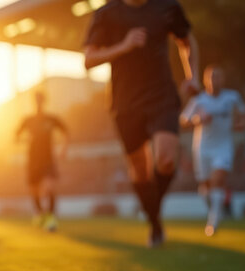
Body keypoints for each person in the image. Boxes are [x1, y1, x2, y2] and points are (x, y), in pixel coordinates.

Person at [84, 0, 199, 247]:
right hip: (125, 103)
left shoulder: (167, 7)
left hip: (162, 96)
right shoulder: (106, 13)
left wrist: (193, 76)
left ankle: (152, 211)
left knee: (166, 160)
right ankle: (155, 224)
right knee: (140, 171)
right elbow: (89, 59)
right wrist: (124, 46)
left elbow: (187, 41)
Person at [180, 65, 245, 236]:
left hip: (223, 146)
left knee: (218, 179)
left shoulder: (231, 97)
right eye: (211, 77)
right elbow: (183, 120)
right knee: (205, 186)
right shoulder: (199, 101)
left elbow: (244, 112)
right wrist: (198, 119)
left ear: (222, 80)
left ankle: (214, 219)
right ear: (205, 80)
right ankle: (214, 209)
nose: (214, 80)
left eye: (217, 77)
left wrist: (242, 123)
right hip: (202, 147)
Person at [15, 91, 68, 232]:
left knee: (49, 187)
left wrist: (63, 148)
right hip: (33, 160)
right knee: (34, 191)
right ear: (34, 102)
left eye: (40, 99)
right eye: (36, 100)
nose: (38, 102)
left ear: (44, 101)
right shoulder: (28, 120)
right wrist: (23, 141)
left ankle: (50, 217)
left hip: (48, 159)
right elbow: (16, 136)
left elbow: (65, 131)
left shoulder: (51, 119)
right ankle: (39, 214)